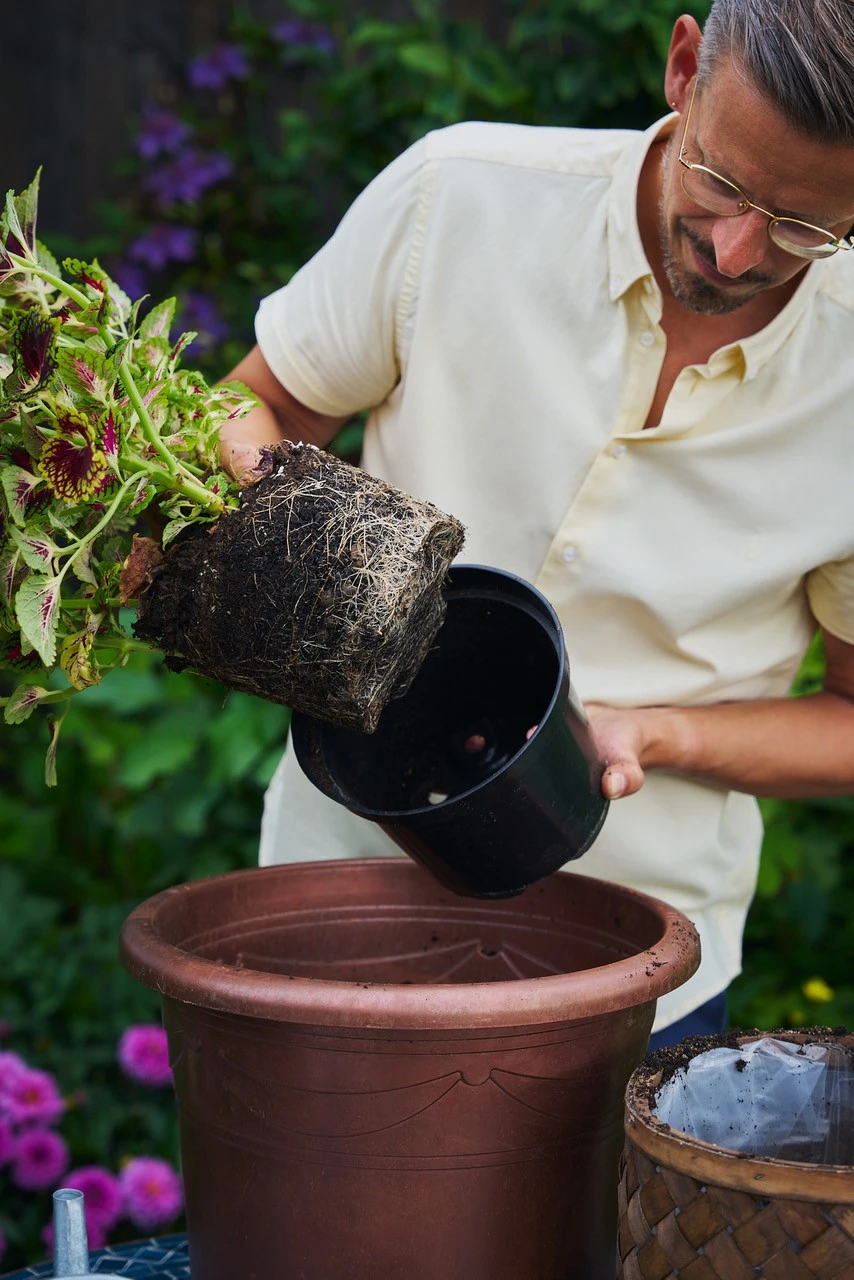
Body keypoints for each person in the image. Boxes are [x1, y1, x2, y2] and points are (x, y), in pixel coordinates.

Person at [219, 0, 854, 1048]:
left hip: (642, 972)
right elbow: (261, 406)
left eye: (802, 226)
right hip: (336, 900)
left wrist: (654, 732)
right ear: (682, 65)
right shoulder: (457, 197)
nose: (736, 250)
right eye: (722, 181)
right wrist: (304, 553)